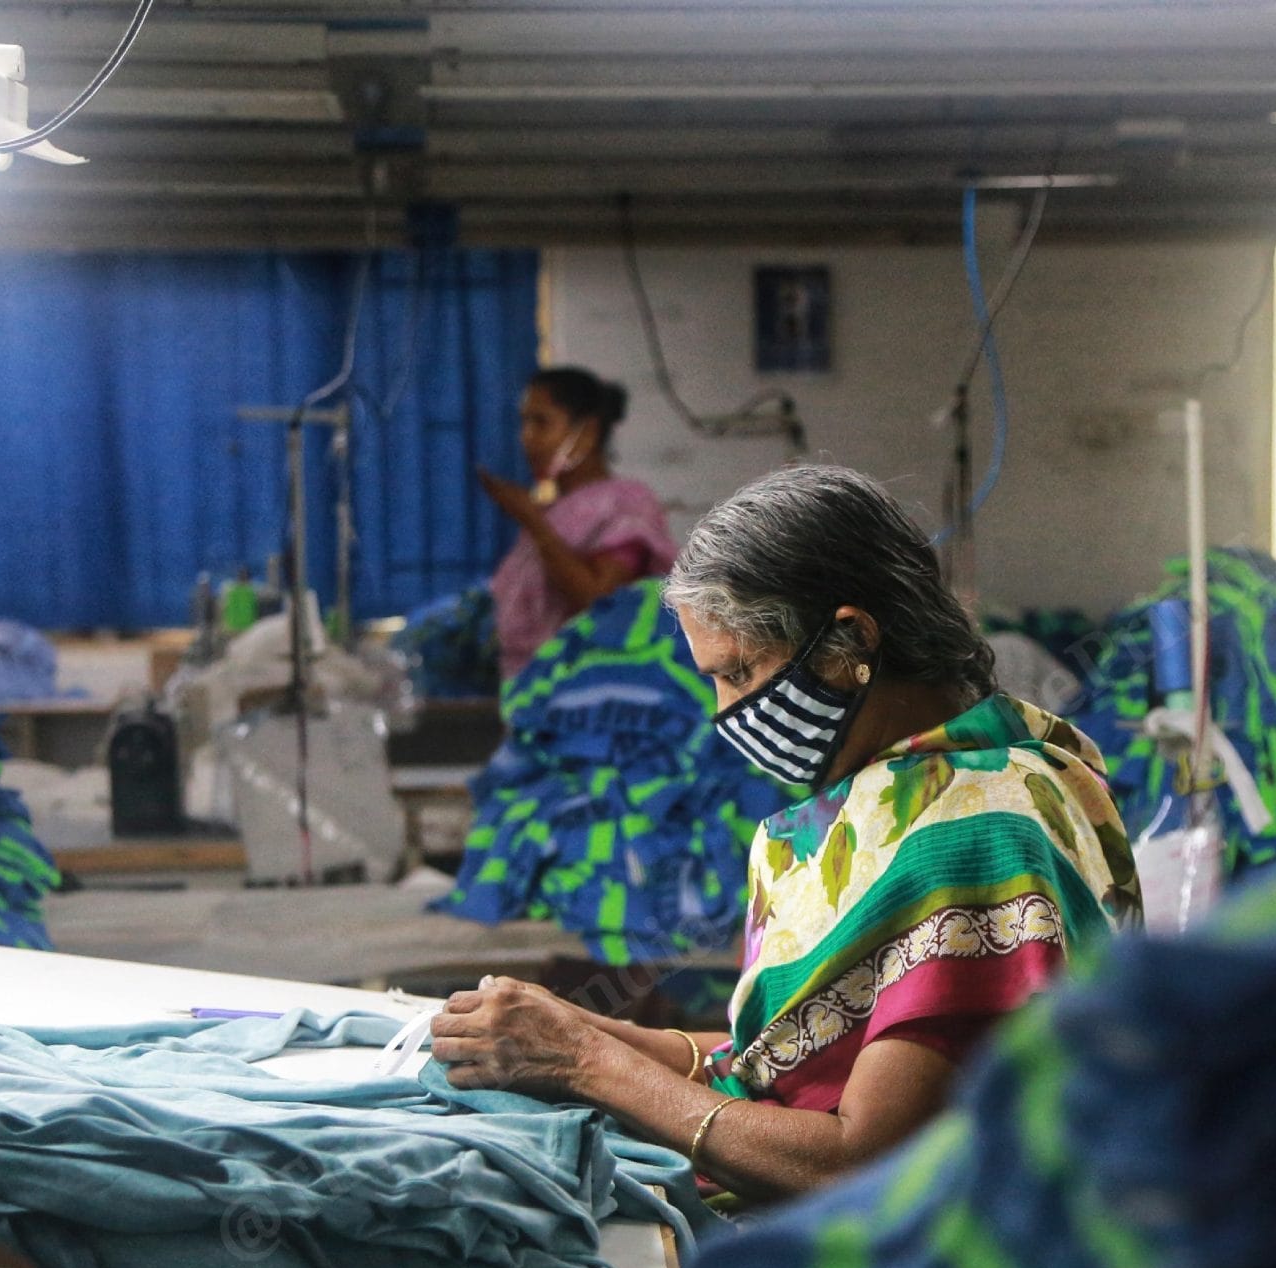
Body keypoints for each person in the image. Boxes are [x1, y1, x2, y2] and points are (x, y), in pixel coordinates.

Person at [432, 465, 1141, 1205]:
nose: (724, 711)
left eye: (739, 672)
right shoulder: (888, 798)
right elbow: (789, 1062)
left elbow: (859, 1159)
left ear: (850, 639)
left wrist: (587, 1064)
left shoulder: (978, 832)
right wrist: (587, 1033)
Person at [478, 367, 678, 680]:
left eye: (541, 422)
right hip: (532, 692)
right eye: (524, 422)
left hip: (595, 696)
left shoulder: (627, 505)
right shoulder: (552, 511)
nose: (526, 437)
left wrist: (533, 520)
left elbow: (599, 600)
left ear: (587, 432)